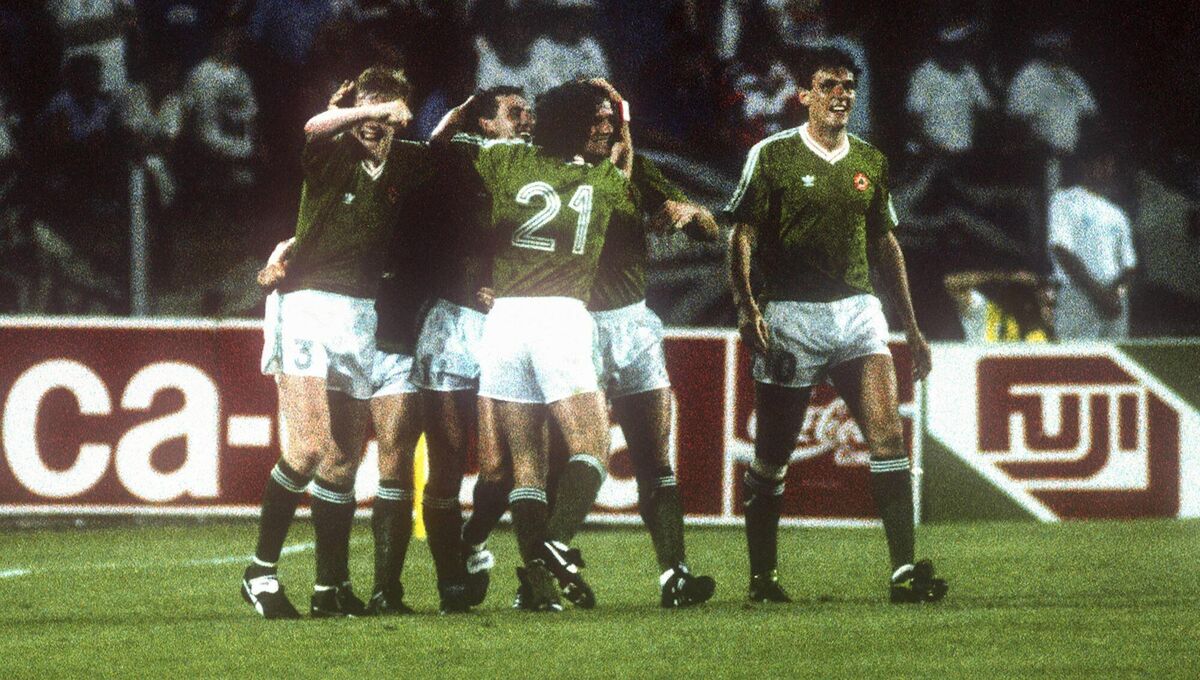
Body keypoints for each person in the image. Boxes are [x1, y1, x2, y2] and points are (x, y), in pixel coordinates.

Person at [726, 47, 947, 604]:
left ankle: (903, 573)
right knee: (773, 457)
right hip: (791, 317)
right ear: (804, 95)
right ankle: (763, 577)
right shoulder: (771, 156)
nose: (841, 94)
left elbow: (885, 243)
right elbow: (741, 235)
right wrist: (748, 306)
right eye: (829, 85)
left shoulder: (870, 161)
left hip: (856, 312)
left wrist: (913, 329)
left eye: (848, 85)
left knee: (889, 435)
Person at [432, 79, 642, 611]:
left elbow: (442, 146)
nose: (605, 129)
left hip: (503, 321)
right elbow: (625, 175)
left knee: (523, 467)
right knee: (591, 447)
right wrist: (622, 113)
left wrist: (461, 111)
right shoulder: (600, 176)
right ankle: (555, 542)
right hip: (560, 317)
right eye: (595, 120)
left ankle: (540, 590)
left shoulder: (503, 159)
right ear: (575, 125)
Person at [242, 66, 423, 619]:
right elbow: (313, 124)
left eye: (388, 107)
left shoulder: (404, 163)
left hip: (359, 315)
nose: (376, 118)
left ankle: (329, 588)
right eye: (368, 107)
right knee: (308, 447)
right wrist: (362, 110)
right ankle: (261, 573)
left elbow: (444, 155)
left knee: (344, 459)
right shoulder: (330, 151)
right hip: (308, 307)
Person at [404, 85, 535, 612]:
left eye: (531, 113)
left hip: (510, 322)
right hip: (454, 323)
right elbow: (429, 152)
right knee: (448, 462)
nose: (527, 121)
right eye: (515, 113)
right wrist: (455, 111)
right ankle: (450, 580)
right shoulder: (460, 160)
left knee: (503, 467)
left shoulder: (542, 168)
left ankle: (473, 539)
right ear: (484, 124)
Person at [1047, 147, 1137, 340]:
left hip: (1114, 300)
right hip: (1079, 296)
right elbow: (1061, 250)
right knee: (1076, 364)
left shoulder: (1117, 213)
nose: (1107, 170)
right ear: (1085, 166)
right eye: (1102, 163)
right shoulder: (1064, 200)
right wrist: (1098, 294)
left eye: (1110, 165)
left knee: (1115, 363)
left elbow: (1129, 266)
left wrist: (1116, 294)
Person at [943, 269, 1055, 342]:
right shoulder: (985, 308)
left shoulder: (1038, 335)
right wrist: (1006, 275)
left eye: (1050, 305)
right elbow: (950, 283)